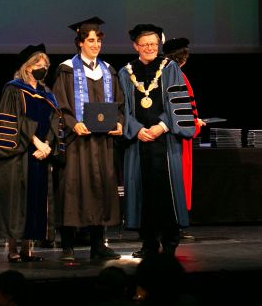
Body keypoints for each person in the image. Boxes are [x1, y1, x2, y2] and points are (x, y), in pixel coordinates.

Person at [118, 24, 196, 258]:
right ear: (136, 46)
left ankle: (170, 242)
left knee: (167, 191)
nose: (150, 48)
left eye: (154, 44)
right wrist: (136, 129)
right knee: (142, 192)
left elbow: (177, 101)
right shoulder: (125, 72)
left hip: (165, 140)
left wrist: (162, 126)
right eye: (145, 44)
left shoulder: (170, 68)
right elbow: (122, 109)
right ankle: (148, 243)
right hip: (138, 141)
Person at [52, 16, 123, 262]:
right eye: (90, 40)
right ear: (80, 43)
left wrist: (119, 124)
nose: (95, 45)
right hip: (77, 144)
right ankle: (68, 246)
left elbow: (119, 105)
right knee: (73, 191)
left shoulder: (108, 71)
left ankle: (98, 245)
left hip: (102, 143)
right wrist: (74, 123)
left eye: (98, 41)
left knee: (100, 188)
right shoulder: (66, 70)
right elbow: (59, 105)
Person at [0, 44, 60, 262]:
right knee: (16, 202)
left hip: (40, 156)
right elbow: (14, 121)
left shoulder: (47, 93)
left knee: (36, 200)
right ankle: (12, 249)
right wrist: (37, 142)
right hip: (18, 154)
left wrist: (47, 145)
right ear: (27, 68)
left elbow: (55, 121)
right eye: (38, 64)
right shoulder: (14, 89)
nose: (43, 68)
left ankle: (28, 248)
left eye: (45, 65)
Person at [162, 37, 206, 218]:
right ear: (183, 58)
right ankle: (177, 220)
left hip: (169, 134)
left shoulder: (163, 74)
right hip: (178, 139)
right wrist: (194, 123)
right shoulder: (179, 76)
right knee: (178, 179)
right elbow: (180, 111)